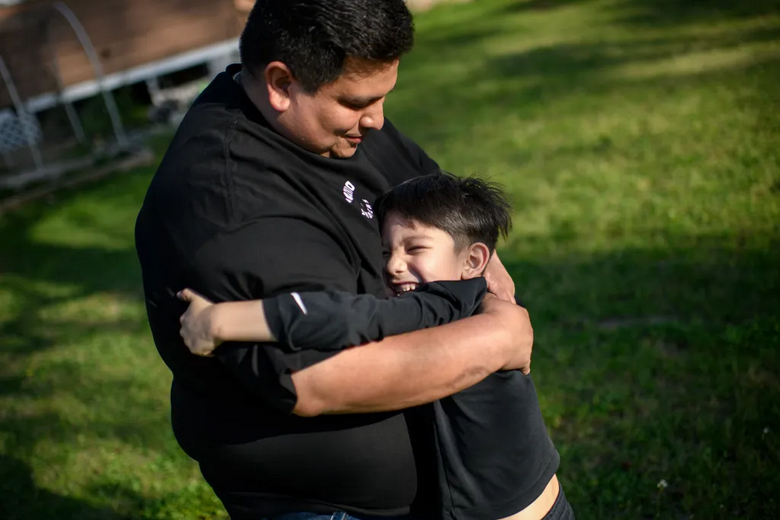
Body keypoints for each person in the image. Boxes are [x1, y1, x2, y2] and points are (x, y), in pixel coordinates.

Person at [134, 1, 533, 519]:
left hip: (451, 482)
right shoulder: (228, 198)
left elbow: (448, 214)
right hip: (329, 507)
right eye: (357, 102)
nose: (378, 120)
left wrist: (487, 284)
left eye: (382, 97)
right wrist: (497, 338)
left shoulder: (337, 122)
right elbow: (319, 378)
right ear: (281, 83)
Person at [178, 173, 574, 520]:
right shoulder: (468, 300)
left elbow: (346, 317)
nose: (393, 265)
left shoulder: (443, 304)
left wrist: (221, 321)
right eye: (385, 251)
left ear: (473, 260)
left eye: (414, 249)